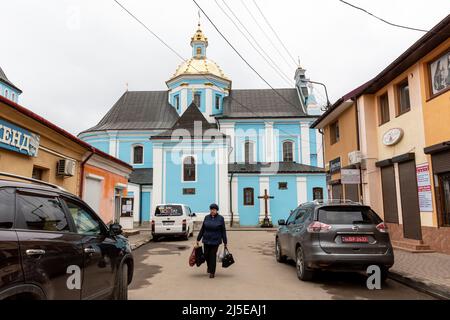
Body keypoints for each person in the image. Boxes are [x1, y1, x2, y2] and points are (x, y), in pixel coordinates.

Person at [196, 203, 228, 278]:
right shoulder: (206, 217)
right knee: (206, 255)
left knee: (212, 256)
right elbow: (203, 229)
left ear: (216, 210)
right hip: (206, 240)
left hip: (215, 241)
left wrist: (225, 241)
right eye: (211, 209)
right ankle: (209, 266)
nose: (212, 211)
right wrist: (198, 238)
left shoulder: (220, 218)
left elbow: (223, 230)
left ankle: (212, 272)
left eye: (214, 210)